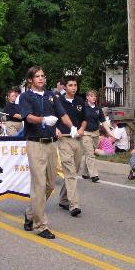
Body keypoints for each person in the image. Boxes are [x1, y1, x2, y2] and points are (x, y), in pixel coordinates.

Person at [19, 66, 78, 239]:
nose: (41, 79)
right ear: (30, 79)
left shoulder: (52, 96)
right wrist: (43, 119)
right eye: (37, 76)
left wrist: (71, 126)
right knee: (39, 185)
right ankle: (40, 225)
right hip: (35, 143)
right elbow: (28, 117)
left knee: (50, 185)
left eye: (43, 76)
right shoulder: (25, 96)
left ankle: (30, 213)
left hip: (52, 144)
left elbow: (62, 113)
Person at [56, 77, 86, 217]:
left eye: (75, 85)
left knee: (74, 170)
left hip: (78, 139)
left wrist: (82, 129)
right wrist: (56, 129)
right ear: (64, 87)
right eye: (70, 85)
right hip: (64, 139)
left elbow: (85, 119)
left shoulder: (80, 101)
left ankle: (63, 198)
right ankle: (74, 204)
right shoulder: (58, 101)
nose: (74, 87)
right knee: (70, 171)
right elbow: (53, 118)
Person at [81, 90, 105, 182]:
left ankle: (85, 172)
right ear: (87, 97)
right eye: (91, 96)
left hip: (95, 133)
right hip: (86, 133)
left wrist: (109, 132)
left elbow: (103, 121)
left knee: (90, 153)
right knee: (90, 154)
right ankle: (94, 175)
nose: (93, 97)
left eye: (95, 96)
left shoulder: (98, 109)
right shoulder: (83, 107)